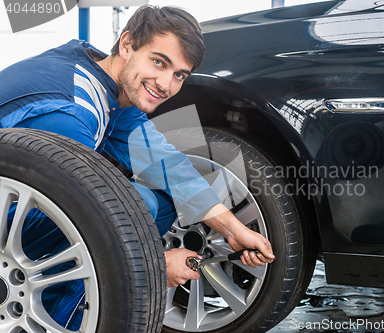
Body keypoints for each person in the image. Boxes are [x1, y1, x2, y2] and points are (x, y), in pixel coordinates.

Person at [0, 5, 274, 330]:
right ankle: (52, 321)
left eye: (179, 75)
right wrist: (150, 266)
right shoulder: (71, 112)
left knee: (158, 201)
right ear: (127, 44)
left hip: (19, 210)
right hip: (9, 228)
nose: (165, 85)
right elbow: (82, 212)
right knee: (128, 207)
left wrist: (233, 230)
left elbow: (166, 164)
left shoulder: (104, 79)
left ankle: (72, 302)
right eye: (159, 62)